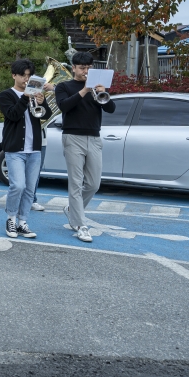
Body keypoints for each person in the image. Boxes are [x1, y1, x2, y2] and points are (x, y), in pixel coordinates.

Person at [54, 51, 115, 243]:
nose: (85, 71)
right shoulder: (63, 86)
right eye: (82, 68)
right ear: (73, 68)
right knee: (76, 184)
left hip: (94, 138)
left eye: (88, 68)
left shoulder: (98, 88)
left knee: (94, 184)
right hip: (73, 137)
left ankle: (72, 210)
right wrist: (84, 91)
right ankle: (81, 225)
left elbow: (111, 108)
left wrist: (103, 92)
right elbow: (64, 106)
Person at [0, 59, 50, 240]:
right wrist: (26, 97)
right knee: (17, 185)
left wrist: (42, 102)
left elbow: (46, 116)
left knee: (29, 188)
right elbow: (12, 115)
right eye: (23, 75)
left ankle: (23, 222)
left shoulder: (36, 94)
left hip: (34, 148)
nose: (26, 79)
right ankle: (11, 218)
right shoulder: (6, 95)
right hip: (15, 149)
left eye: (29, 76)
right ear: (14, 75)